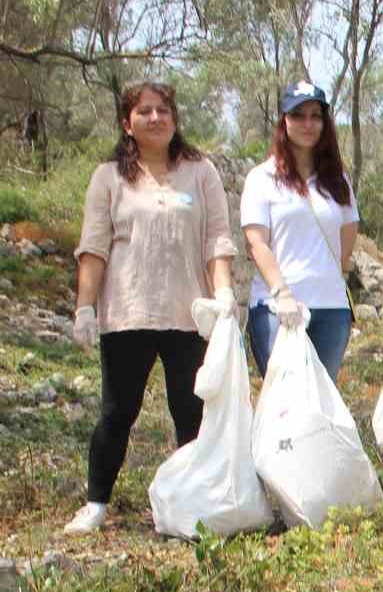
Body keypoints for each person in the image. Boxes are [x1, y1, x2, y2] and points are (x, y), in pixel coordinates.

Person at [65, 81, 236, 534]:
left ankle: (196, 503)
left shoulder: (200, 172)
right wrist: (85, 309)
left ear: (175, 119)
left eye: (163, 110)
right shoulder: (109, 177)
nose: (155, 118)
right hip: (127, 314)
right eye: (144, 111)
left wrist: (222, 294)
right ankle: (96, 503)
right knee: (118, 413)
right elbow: (94, 248)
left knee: (191, 413)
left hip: (188, 315)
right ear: (127, 122)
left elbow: (217, 237)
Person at [241, 81, 359, 384]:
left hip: (331, 308)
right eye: (298, 115)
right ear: (284, 121)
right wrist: (282, 293)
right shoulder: (262, 178)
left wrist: (334, 275)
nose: (308, 124)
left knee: (323, 403)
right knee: (285, 403)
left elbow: (348, 231)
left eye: (315, 116)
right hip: (277, 309)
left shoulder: (337, 180)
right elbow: (256, 242)